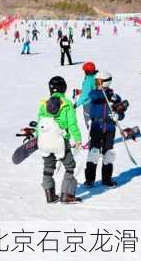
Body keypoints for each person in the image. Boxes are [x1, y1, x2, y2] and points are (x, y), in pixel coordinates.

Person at [36, 76, 82, 204]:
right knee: (69, 166)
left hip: (44, 141)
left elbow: (39, 123)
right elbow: (72, 124)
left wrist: (36, 137)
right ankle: (66, 195)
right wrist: (78, 139)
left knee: (48, 167)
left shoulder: (44, 104)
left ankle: (50, 196)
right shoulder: (66, 103)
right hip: (60, 141)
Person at [84, 71, 128, 187]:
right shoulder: (95, 93)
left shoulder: (115, 97)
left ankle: (107, 179)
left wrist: (118, 115)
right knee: (93, 153)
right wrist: (107, 95)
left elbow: (121, 113)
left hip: (109, 128)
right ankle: (89, 180)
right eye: (96, 81)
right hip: (96, 127)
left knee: (109, 154)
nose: (96, 83)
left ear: (105, 82)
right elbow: (93, 96)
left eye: (98, 81)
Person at [74, 62, 98, 130]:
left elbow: (85, 95)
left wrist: (76, 104)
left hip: (88, 104)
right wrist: (80, 91)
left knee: (89, 122)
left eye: (84, 70)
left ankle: (92, 139)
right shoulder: (95, 77)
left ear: (87, 71)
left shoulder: (88, 80)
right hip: (96, 102)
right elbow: (91, 90)